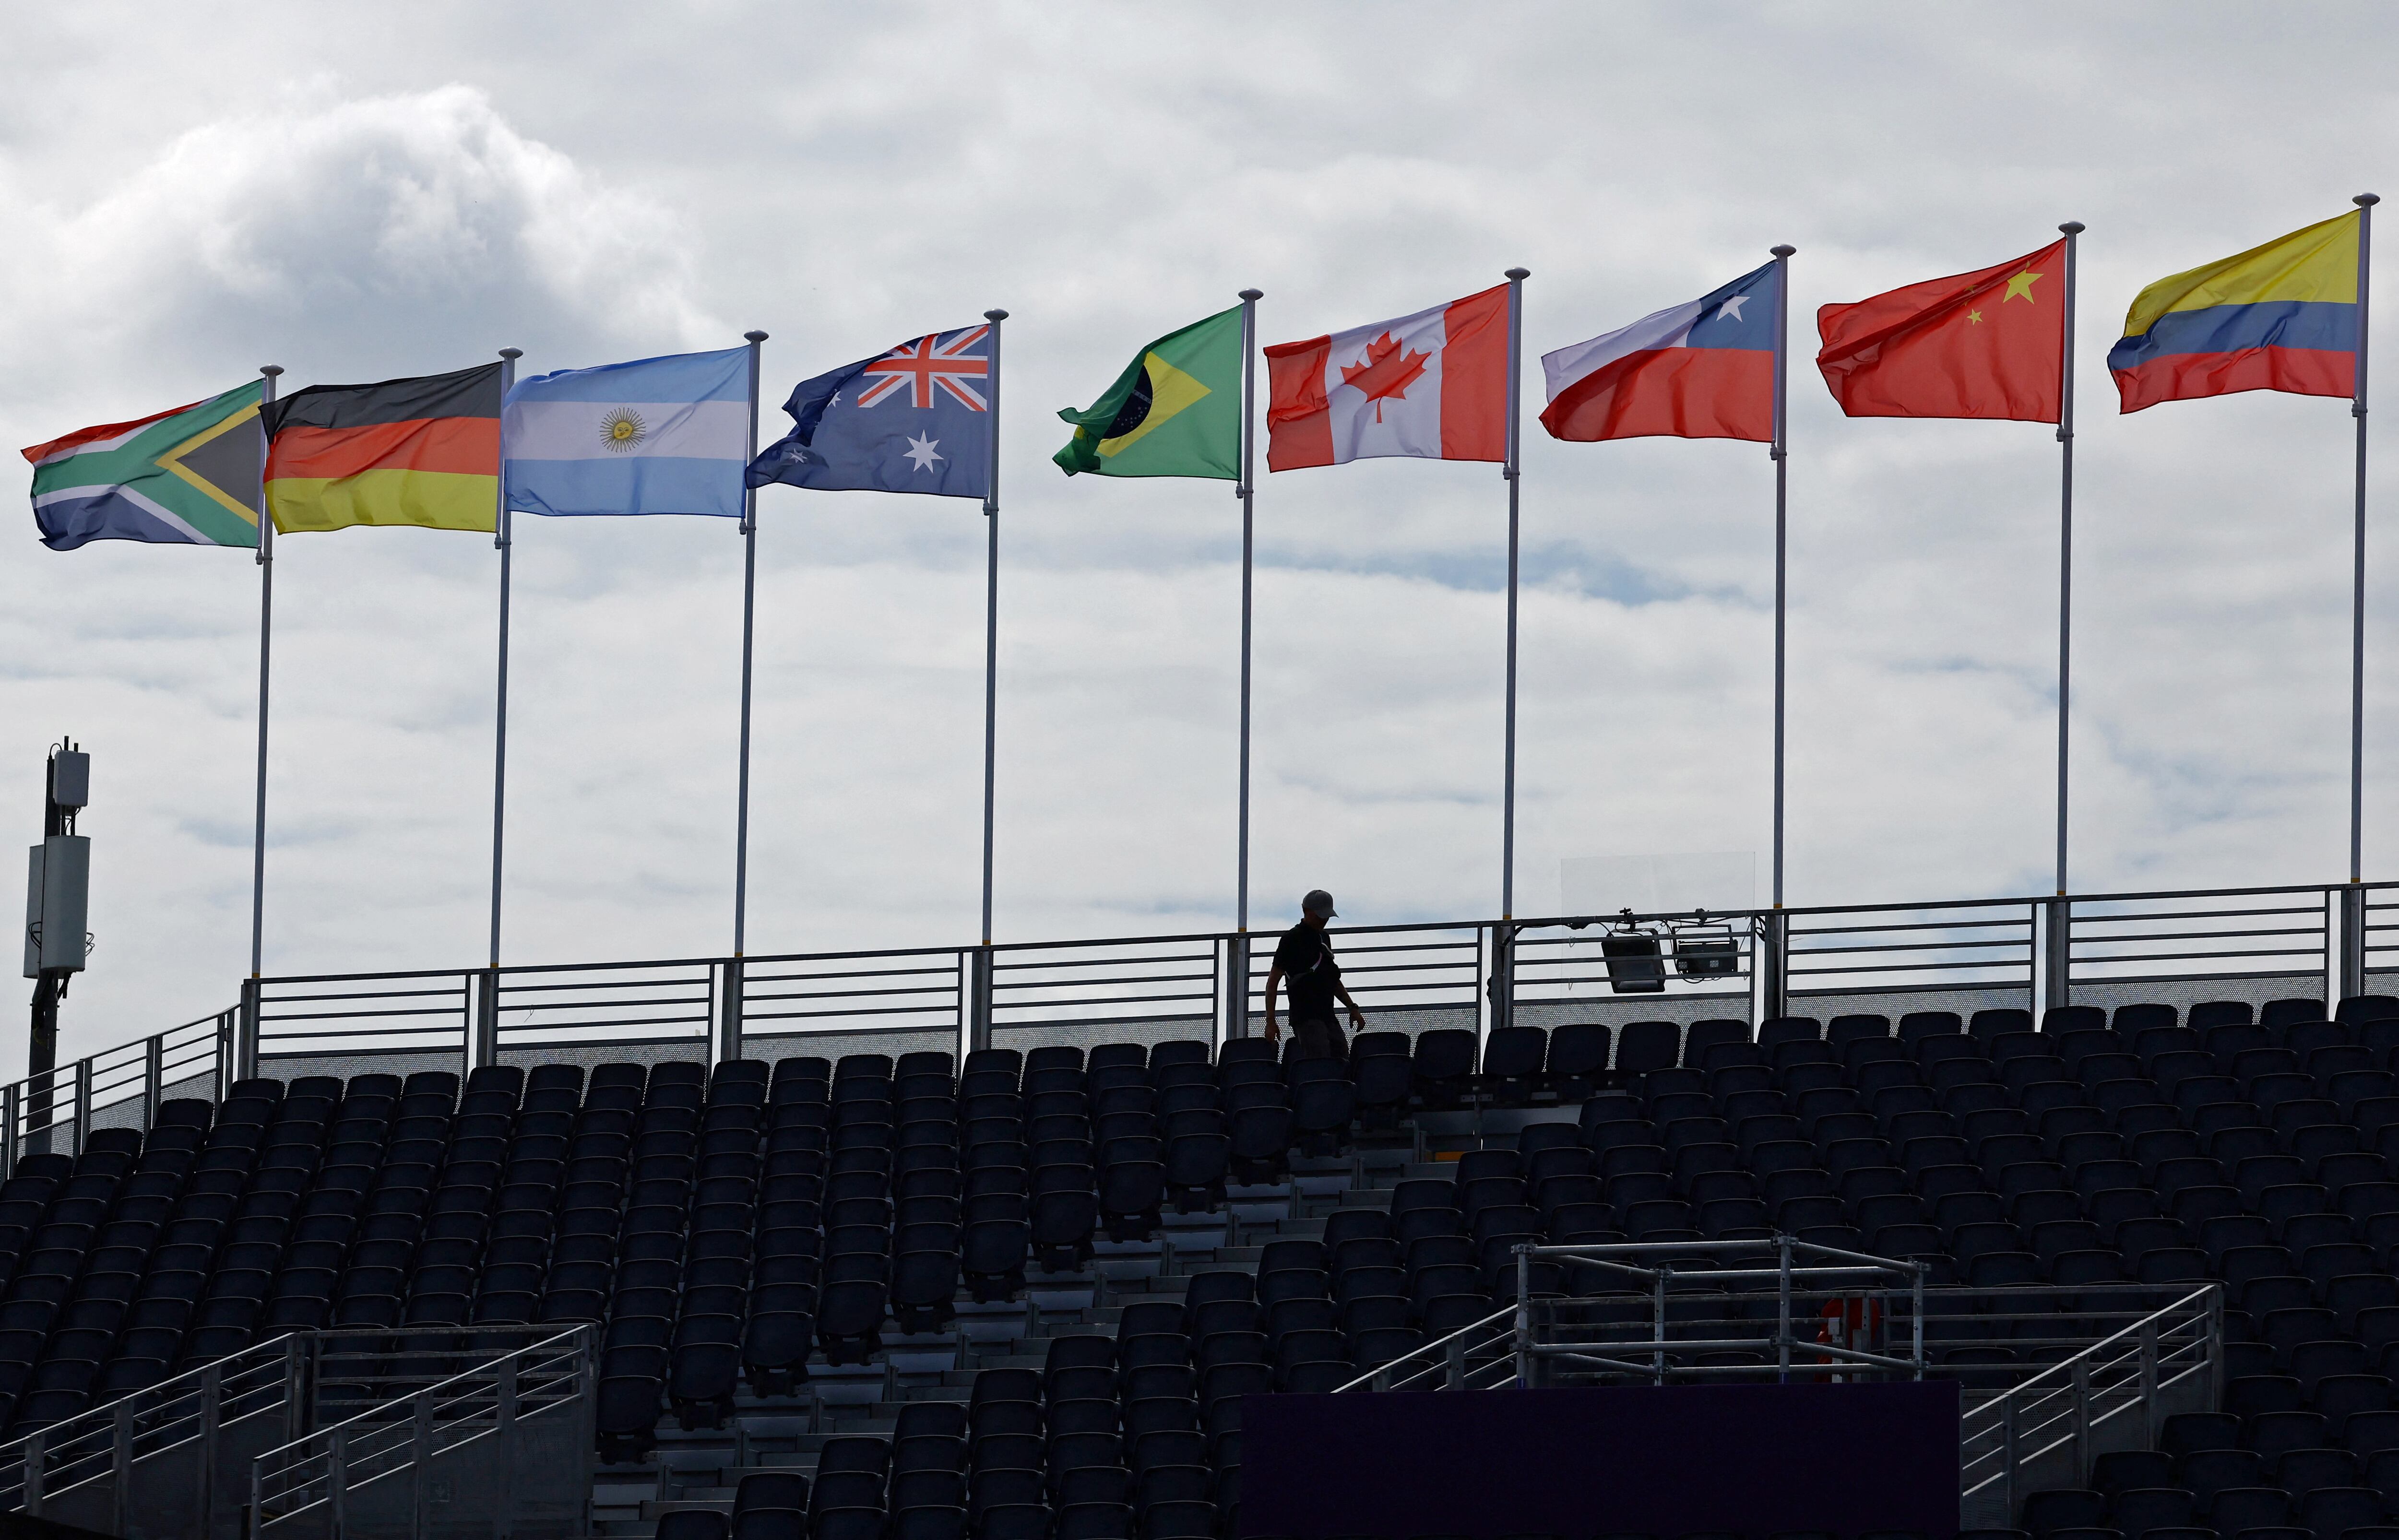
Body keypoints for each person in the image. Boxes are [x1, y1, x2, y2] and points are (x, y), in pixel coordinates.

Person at [1263, 888, 1366, 1060]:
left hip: (1327, 1014)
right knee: (1320, 1061)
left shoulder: (1324, 938)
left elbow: (1333, 979)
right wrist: (1271, 1021)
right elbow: (1273, 982)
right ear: (1306, 911)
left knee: (1341, 1057)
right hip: (1305, 1016)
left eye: (1326, 916)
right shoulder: (1291, 939)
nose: (1324, 920)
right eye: (1320, 916)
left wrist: (1352, 1007)